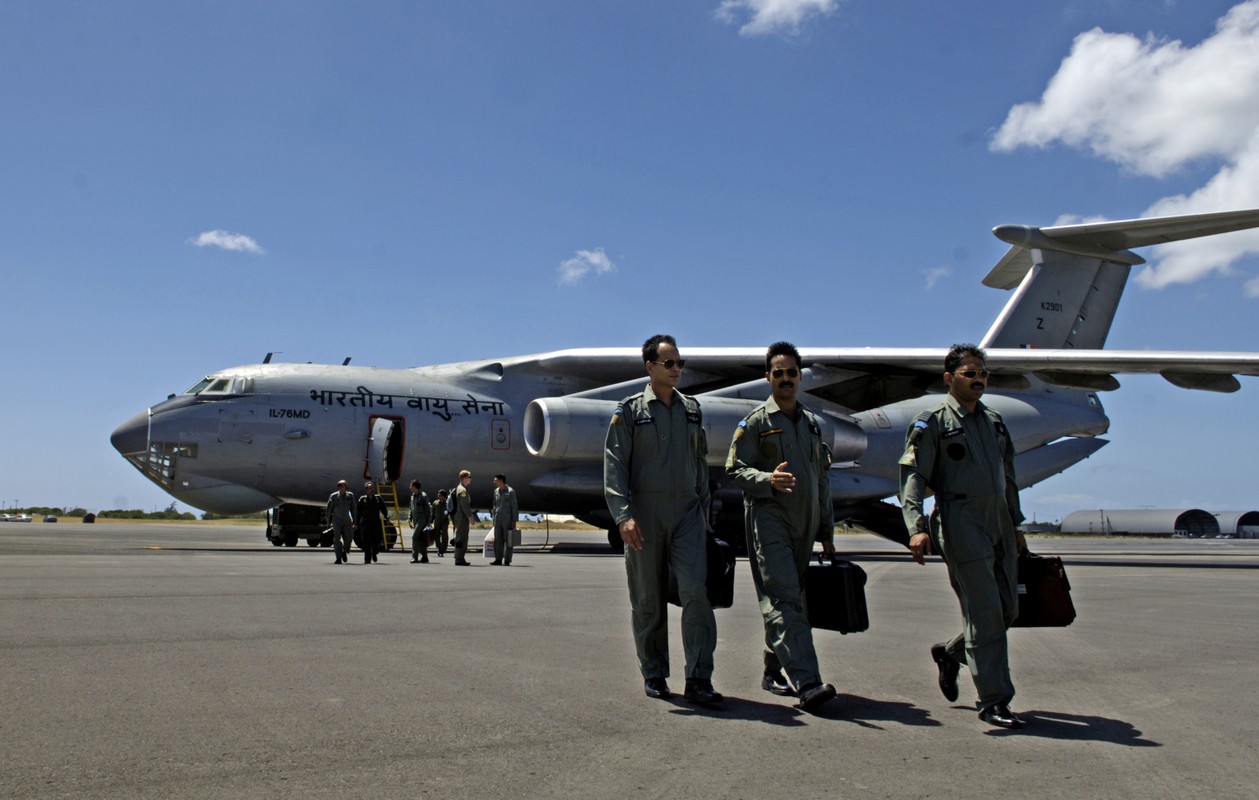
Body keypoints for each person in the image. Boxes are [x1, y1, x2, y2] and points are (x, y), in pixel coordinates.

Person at [899, 343, 1029, 730]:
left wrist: (1016, 526)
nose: (978, 380)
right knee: (985, 612)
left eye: (983, 374)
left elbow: (1008, 478)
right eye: (970, 373)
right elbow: (913, 477)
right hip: (960, 521)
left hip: (999, 521)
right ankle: (994, 700)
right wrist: (916, 528)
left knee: (1008, 610)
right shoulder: (932, 421)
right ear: (949, 378)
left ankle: (951, 653)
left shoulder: (994, 421)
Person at [603, 334, 722, 707]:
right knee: (648, 598)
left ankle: (699, 677)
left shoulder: (692, 410)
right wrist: (623, 516)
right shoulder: (630, 411)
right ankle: (654, 672)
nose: (676, 369)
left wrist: (704, 511)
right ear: (649, 366)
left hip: (687, 514)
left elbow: (700, 461)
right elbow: (615, 465)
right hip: (645, 515)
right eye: (669, 363)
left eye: (679, 363)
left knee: (696, 594)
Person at [725, 341, 838, 712]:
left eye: (792, 373)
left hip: (805, 523)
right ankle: (807, 682)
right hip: (769, 518)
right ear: (767, 378)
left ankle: (773, 668)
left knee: (793, 599)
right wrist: (766, 480)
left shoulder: (811, 424)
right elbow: (734, 469)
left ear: (800, 377)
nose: (786, 379)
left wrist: (826, 530)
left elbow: (821, 480)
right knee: (784, 597)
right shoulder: (755, 423)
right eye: (779, 373)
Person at [355, 481, 390, 565]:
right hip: (366, 523)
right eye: (369, 488)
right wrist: (356, 523)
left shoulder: (378, 499)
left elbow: (384, 509)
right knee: (366, 542)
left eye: (372, 488)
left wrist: (387, 518)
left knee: (376, 540)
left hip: (376, 523)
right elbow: (359, 512)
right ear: (366, 490)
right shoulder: (362, 499)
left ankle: (374, 552)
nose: (371, 490)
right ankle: (367, 559)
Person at [490, 474, 519, 566]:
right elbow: (494, 505)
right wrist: (494, 518)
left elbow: (514, 506)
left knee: (509, 540)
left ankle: (507, 560)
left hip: (508, 519)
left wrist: (514, 520)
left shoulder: (510, 491)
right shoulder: (496, 491)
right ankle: (498, 559)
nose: (494, 482)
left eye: (495, 480)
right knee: (498, 539)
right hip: (498, 519)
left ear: (501, 480)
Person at [326, 480, 356, 565]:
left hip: (347, 520)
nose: (343, 488)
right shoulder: (334, 496)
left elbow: (354, 509)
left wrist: (355, 521)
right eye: (342, 487)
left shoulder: (350, 496)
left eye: (345, 487)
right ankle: (338, 558)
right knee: (336, 539)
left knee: (349, 539)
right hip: (336, 520)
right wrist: (328, 521)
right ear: (339, 487)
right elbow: (329, 509)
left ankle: (345, 551)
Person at [451, 470, 474, 566]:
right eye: (469, 477)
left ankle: (459, 557)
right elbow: (465, 505)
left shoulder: (460, 488)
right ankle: (459, 558)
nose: (471, 479)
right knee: (461, 538)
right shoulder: (462, 490)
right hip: (462, 517)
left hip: (460, 516)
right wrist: (470, 516)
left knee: (461, 536)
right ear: (464, 478)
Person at [409, 480, 433, 564]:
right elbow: (411, 509)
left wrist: (428, 522)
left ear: (415, 487)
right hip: (415, 520)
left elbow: (428, 509)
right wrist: (409, 519)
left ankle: (414, 557)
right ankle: (425, 557)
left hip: (422, 520)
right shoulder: (412, 496)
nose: (410, 488)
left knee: (414, 537)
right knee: (420, 540)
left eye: (411, 486)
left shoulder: (423, 496)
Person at [431, 489, 450, 557]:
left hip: (445, 522)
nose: (438, 496)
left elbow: (451, 512)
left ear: (443, 496)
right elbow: (432, 513)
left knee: (445, 536)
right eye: (438, 494)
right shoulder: (435, 503)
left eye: (439, 495)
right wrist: (430, 521)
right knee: (437, 536)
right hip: (437, 522)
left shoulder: (447, 504)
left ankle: (443, 550)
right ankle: (439, 549)